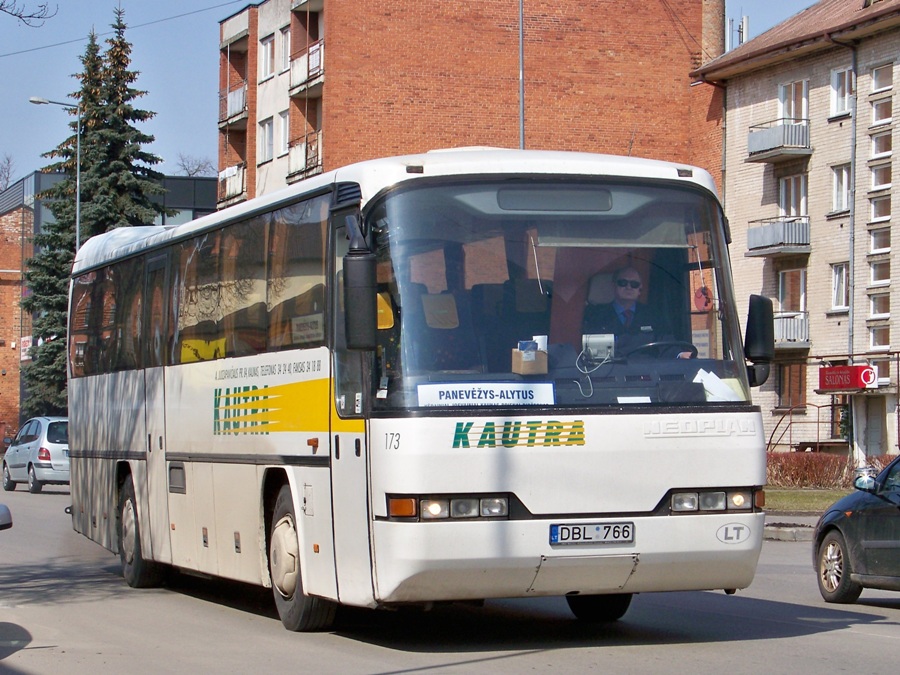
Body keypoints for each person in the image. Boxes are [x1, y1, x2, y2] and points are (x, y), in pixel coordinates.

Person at [583, 266, 693, 358]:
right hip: (610, 377)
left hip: (646, 376)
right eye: (623, 283)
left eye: (634, 284)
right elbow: (592, 355)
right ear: (614, 286)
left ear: (640, 289)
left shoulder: (653, 315)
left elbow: (667, 345)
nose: (628, 287)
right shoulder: (596, 316)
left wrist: (681, 354)